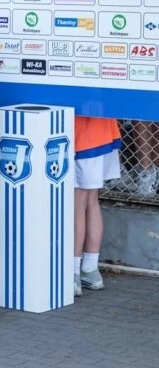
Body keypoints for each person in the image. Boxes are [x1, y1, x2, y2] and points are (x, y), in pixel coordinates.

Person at [73, 117, 121, 295]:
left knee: (78, 199)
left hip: (82, 134)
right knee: (91, 198)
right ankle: (90, 269)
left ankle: (72, 272)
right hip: (104, 132)